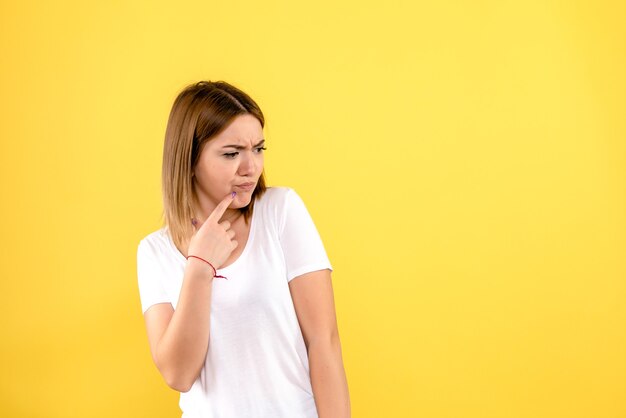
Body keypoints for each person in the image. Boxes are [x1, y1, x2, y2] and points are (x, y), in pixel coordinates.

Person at [136, 80, 351, 418]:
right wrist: (199, 266)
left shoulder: (280, 212)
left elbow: (324, 342)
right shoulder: (154, 252)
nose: (250, 167)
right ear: (189, 160)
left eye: (258, 149)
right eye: (232, 153)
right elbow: (178, 374)